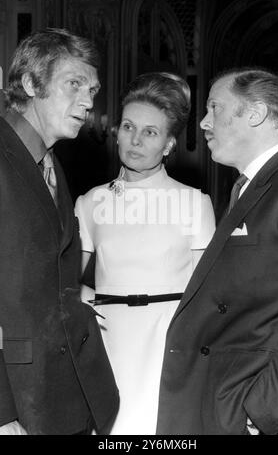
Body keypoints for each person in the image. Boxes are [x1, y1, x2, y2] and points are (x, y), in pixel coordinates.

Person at [156, 67, 278, 435]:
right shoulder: (249, 187)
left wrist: (265, 410)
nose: (203, 122)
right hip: (219, 396)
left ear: (256, 113)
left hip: (242, 406)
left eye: (215, 107)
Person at [75, 72, 215, 435]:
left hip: (168, 342)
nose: (135, 141)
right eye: (128, 127)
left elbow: (209, 295)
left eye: (150, 132)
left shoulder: (194, 204)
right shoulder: (91, 202)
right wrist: (84, 300)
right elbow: (63, 280)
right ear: (116, 130)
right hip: (108, 341)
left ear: (169, 144)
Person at [0, 28, 118, 435]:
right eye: (74, 85)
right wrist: (2, 413)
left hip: (68, 391)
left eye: (93, 89)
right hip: (18, 400)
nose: (88, 101)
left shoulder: (50, 162)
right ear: (32, 83)